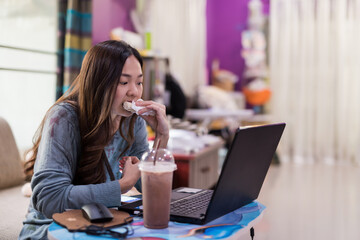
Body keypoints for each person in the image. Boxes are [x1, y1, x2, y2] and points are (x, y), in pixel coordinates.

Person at [19, 40, 169, 239]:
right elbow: (49, 200)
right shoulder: (64, 118)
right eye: (124, 82)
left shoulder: (132, 121)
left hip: (102, 223)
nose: (134, 92)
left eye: (139, 82)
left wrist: (161, 135)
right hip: (53, 228)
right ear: (98, 83)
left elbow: (150, 189)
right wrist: (122, 186)